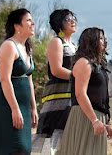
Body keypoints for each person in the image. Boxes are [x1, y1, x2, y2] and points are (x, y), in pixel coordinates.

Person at [0, 8, 38, 155]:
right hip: (7, 107)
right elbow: (4, 79)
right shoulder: (8, 46)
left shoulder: (27, 49)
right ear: (17, 26)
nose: (33, 23)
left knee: (24, 149)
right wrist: (14, 108)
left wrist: (33, 107)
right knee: (11, 149)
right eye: (28, 20)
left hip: (24, 108)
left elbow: (29, 80)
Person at [56, 27, 112, 155]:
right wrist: (94, 121)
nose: (104, 41)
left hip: (96, 117)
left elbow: (103, 96)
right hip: (85, 116)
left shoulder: (99, 66)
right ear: (91, 41)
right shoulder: (84, 63)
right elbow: (80, 94)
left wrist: (107, 121)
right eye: (100, 38)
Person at [35, 9, 78, 153]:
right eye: (68, 19)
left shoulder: (75, 47)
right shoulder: (56, 42)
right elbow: (56, 70)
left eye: (73, 18)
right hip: (57, 99)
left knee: (67, 141)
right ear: (59, 24)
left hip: (72, 100)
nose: (73, 21)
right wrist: (79, 77)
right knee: (50, 141)